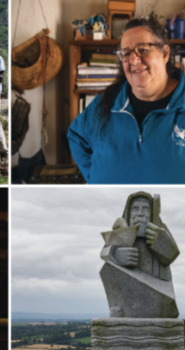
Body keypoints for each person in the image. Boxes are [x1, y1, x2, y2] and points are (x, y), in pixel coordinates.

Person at [67, 16, 185, 184]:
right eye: (127, 53)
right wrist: (94, 176)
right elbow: (76, 136)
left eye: (143, 49)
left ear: (165, 53)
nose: (134, 60)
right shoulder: (105, 103)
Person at [100, 192, 179, 318]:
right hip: (128, 298)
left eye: (145, 209)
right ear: (129, 212)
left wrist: (161, 242)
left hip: (158, 297)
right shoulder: (122, 233)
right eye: (135, 208)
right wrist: (116, 254)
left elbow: (173, 254)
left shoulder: (160, 229)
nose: (140, 213)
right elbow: (104, 253)